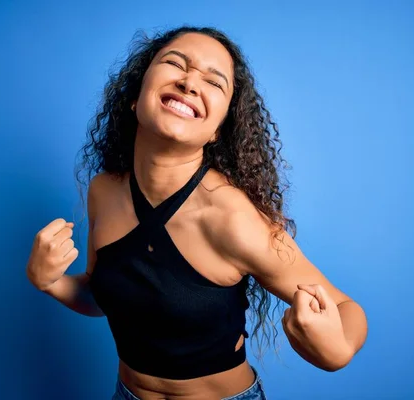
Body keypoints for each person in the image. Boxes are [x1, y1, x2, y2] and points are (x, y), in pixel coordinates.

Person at [26, 26, 368, 400]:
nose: (190, 83)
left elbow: (345, 308)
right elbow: (106, 297)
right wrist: (50, 281)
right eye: (175, 63)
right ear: (135, 96)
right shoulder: (104, 191)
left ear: (218, 130)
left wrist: (336, 350)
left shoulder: (231, 218)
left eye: (213, 82)